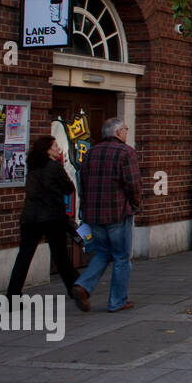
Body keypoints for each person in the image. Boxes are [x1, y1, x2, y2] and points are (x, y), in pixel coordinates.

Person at [6, 135, 86, 309]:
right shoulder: (54, 166)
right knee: (61, 257)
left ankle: (12, 295)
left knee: (24, 256)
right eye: (55, 145)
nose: (58, 148)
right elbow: (68, 187)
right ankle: (75, 288)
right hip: (52, 217)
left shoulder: (32, 167)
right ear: (48, 149)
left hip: (30, 218)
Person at [74, 118, 141, 313]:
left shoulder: (91, 152)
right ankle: (117, 301)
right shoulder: (125, 152)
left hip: (94, 214)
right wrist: (135, 205)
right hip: (117, 213)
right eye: (125, 130)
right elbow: (133, 183)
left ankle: (83, 286)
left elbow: (82, 183)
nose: (126, 133)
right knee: (121, 257)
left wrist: (85, 210)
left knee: (102, 253)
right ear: (118, 132)